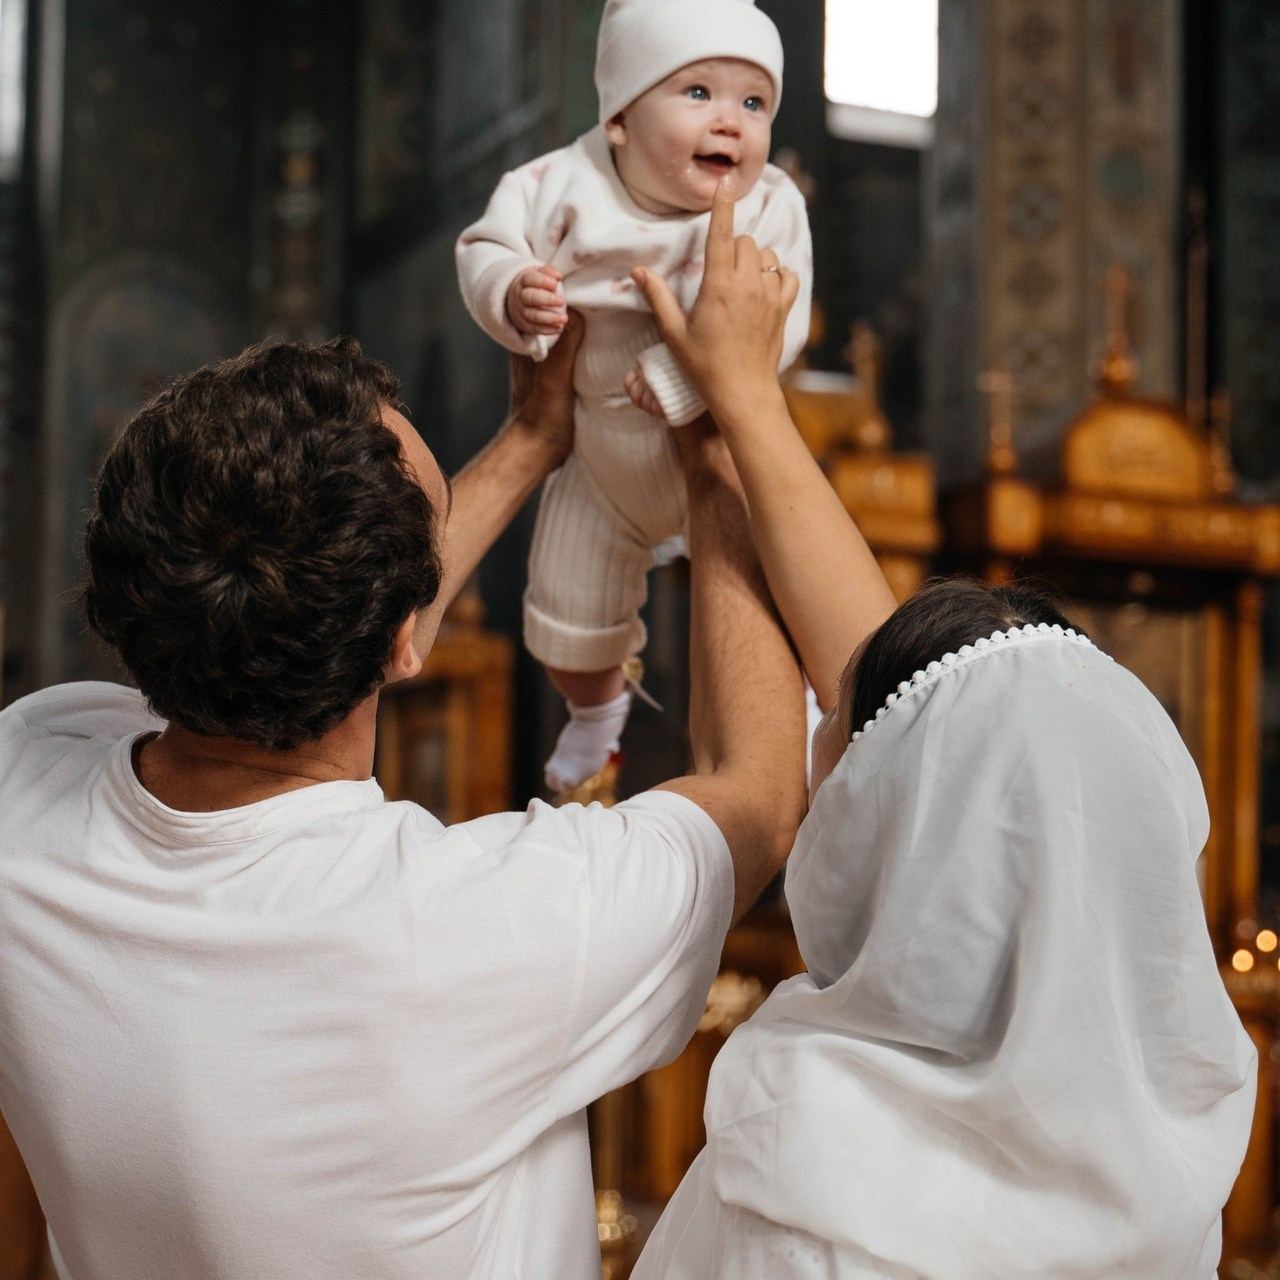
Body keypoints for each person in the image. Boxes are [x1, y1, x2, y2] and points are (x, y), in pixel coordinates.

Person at [0, 256, 811, 1279]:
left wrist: (529, 441)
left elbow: (319, 608)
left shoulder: (26, 787)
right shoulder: (474, 929)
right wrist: (713, 430)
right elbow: (760, 796)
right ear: (402, 642)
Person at [624, 228, 1259, 1277]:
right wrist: (741, 407)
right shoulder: (1166, 1163)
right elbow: (920, 713)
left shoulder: (806, 1200)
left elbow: (902, 721)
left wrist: (714, 439)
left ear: (896, 848)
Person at [456, 0, 812, 792]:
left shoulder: (771, 207)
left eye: (753, 103)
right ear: (618, 117)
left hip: (726, 453)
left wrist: (690, 378)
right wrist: (513, 295)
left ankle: (811, 709)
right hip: (598, 459)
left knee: (789, 586)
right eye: (698, 94)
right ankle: (595, 716)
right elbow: (484, 248)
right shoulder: (555, 186)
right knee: (570, 614)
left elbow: (781, 322)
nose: (731, 123)